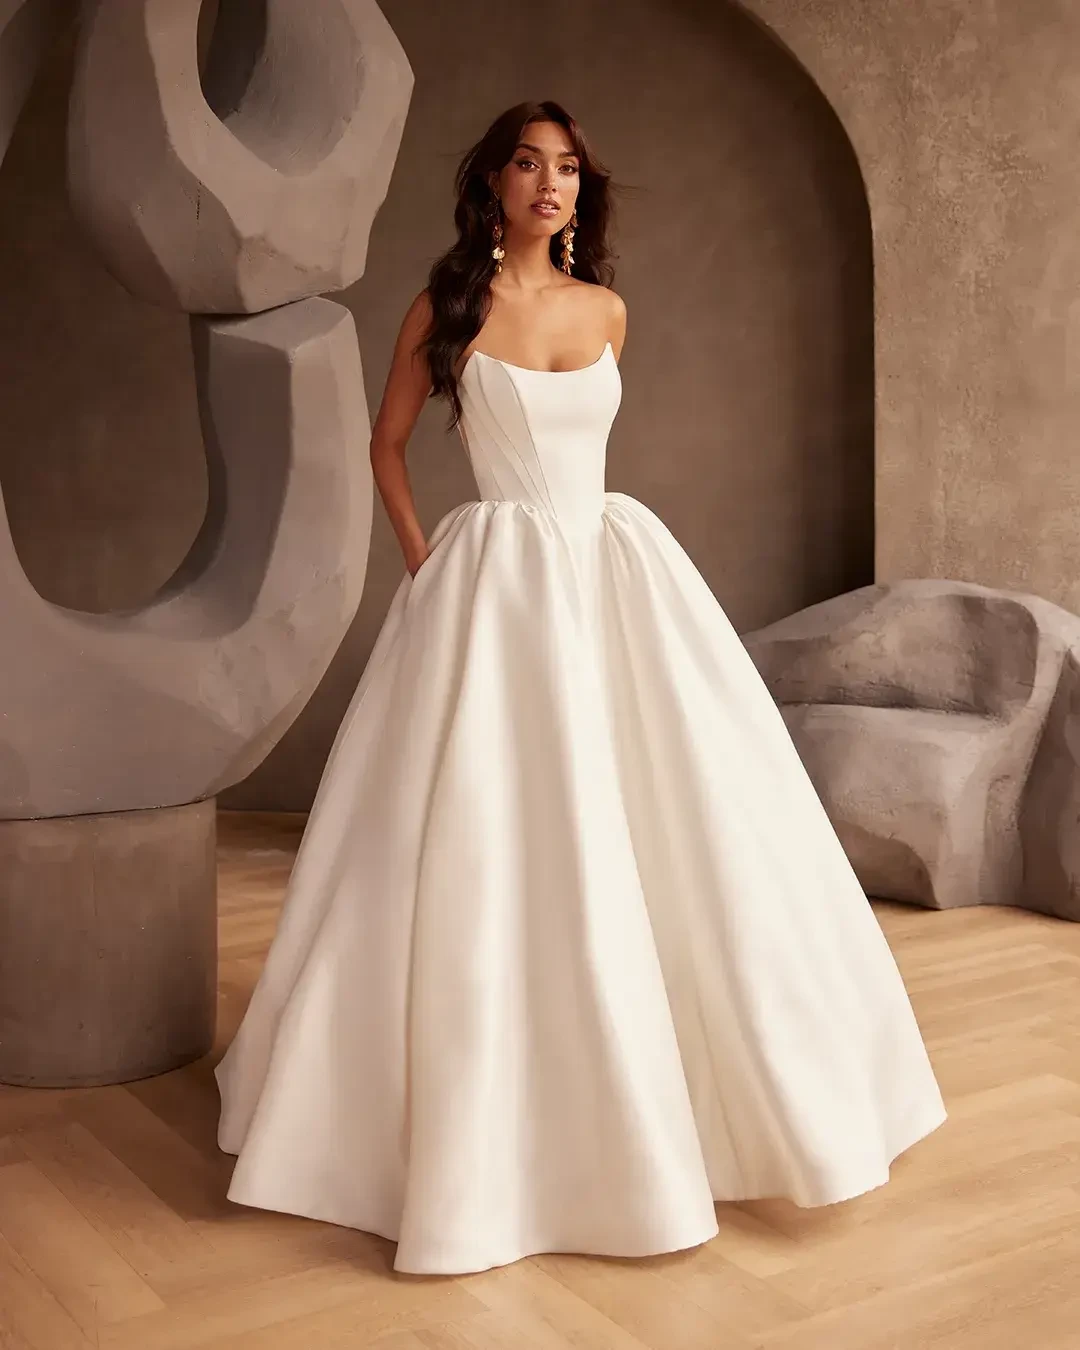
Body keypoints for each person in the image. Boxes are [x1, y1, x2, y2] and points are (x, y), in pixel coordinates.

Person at [215, 99, 947, 1277]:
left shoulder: (609, 309)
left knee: (679, 818)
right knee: (492, 832)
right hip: (498, 584)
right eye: (526, 163)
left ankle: (713, 1091)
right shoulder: (446, 305)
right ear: (493, 183)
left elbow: (580, 451)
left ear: (577, 192)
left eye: (565, 168)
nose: (548, 183)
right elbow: (385, 446)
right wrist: (429, 560)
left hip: (612, 570)